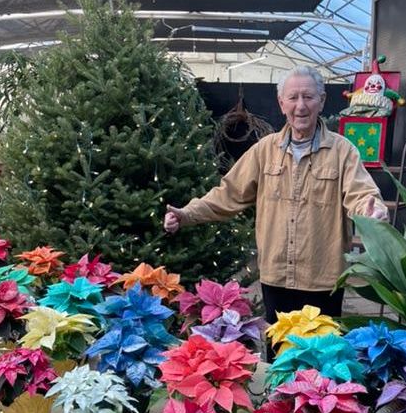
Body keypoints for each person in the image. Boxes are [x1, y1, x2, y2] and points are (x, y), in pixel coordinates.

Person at [164, 66, 388, 357]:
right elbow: (227, 194)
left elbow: (362, 194)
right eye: (292, 97)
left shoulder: (343, 151)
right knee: (279, 359)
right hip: (276, 277)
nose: (301, 105)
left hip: (321, 279)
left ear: (321, 101)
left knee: (324, 362)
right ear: (282, 103)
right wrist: (187, 214)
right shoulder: (264, 151)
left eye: (308, 96)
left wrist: (372, 212)